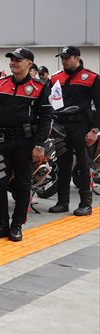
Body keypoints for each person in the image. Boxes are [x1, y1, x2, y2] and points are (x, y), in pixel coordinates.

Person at [0, 48, 52, 242]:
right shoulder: (0, 84)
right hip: (2, 142)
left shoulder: (39, 87)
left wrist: (39, 145)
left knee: (22, 185)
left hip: (25, 144)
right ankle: (2, 224)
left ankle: (17, 225)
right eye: (11, 59)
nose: (13, 62)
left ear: (29, 63)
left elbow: (46, 117)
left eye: (18, 60)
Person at [48, 46, 99, 216]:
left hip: (82, 126)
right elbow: (50, 103)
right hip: (61, 126)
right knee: (62, 165)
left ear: (77, 57)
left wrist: (95, 130)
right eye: (62, 57)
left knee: (84, 165)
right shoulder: (55, 78)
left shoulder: (91, 77)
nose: (64, 60)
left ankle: (86, 203)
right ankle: (63, 202)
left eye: (67, 57)